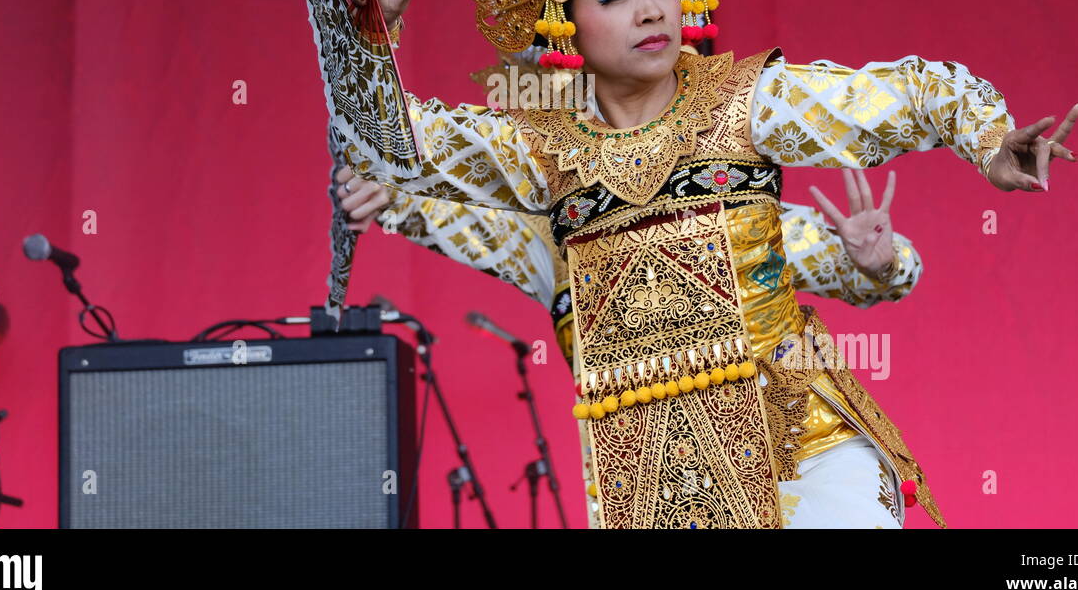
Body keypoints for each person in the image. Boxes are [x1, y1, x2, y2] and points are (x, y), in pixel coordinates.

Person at [318, 0, 1078, 528]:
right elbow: (395, 145)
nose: (650, 6)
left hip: (804, 453)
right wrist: (371, 34)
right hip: (659, 485)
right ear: (565, 25)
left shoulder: (745, 101)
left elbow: (910, 95)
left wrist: (985, 139)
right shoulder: (540, 153)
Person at [335, 162, 926, 528]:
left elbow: (884, 273)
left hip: (806, 458)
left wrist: (879, 261)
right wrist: (381, 193)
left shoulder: (720, 196)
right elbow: (431, 209)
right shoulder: (547, 238)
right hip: (668, 494)